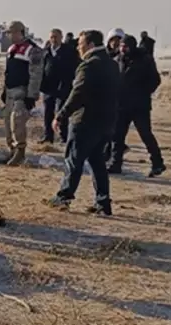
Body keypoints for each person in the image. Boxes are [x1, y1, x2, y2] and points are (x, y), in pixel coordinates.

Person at [47, 30, 120, 214]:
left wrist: (61, 115)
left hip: (85, 121)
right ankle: (103, 202)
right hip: (106, 122)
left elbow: (77, 94)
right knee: (97, 162)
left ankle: (64, 196)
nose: (78, 47)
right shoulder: (112, 64)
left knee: (74, 159)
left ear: (90, 45)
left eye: (80, 44)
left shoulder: (88, 66)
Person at [107, 35, 165, 176]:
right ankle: (116, 164)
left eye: (125, 46)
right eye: (121, 46)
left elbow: (155, 80)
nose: (122, 49)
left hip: (140, 106)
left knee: (145, 135)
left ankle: (158, 163)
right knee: (117, 136)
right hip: (121, 105)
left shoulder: (144, 60)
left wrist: (142, 93)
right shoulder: (116, 60)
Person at [0, 21, 43, 165]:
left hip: (22, 92)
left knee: (17, 122)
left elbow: (36, 74)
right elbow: (8, 72)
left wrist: (31, 95)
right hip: (10, 90)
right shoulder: (12, 49)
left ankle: (20, 152)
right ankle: (12, 150)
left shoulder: (33, 49)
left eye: (10, 33)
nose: (8, 36)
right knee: (7, 123)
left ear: (18, 32)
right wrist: (4, 90)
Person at [39, 29, 79, 144]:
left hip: (63, 87)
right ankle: (48, 136)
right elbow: (42, 67)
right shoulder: (46, 51)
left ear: (61, 37)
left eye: (56, 37)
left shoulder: (69, 51)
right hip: (48, 87)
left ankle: (63, 136)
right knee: (48, 112)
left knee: (61, 112)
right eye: (52, 37)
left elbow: (74, 67)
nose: (54, 40)